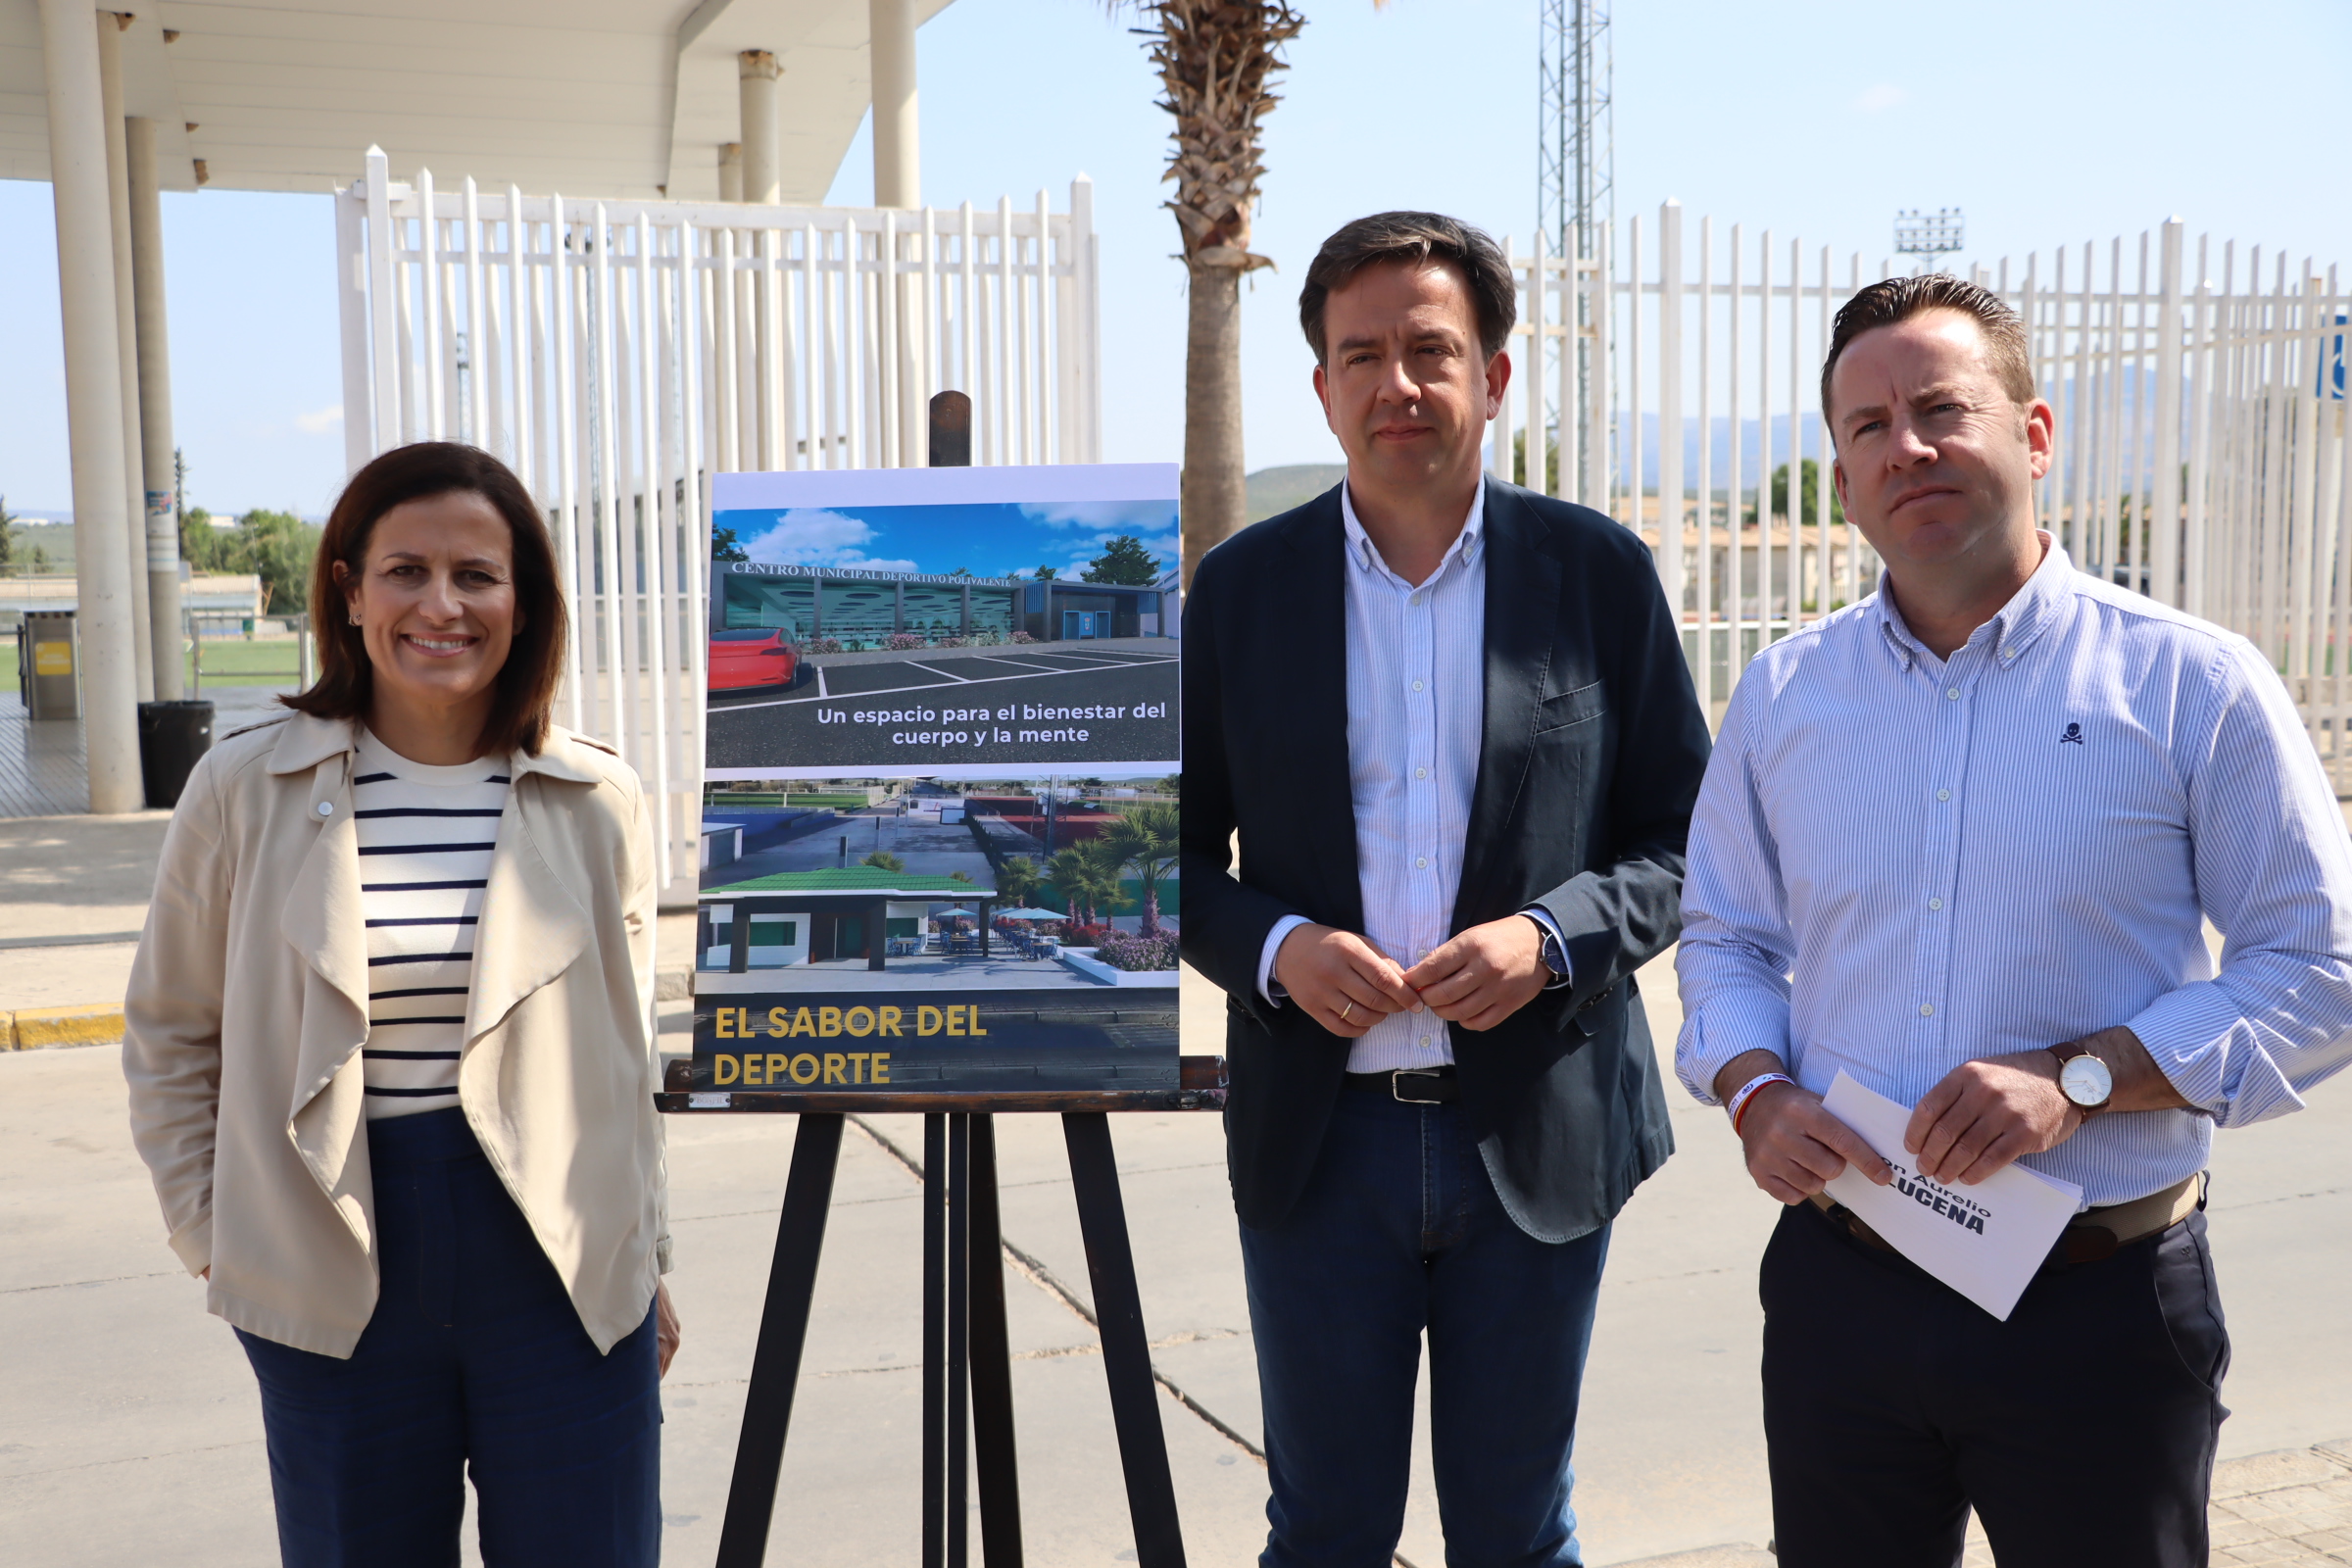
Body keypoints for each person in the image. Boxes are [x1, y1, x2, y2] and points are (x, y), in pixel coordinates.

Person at [1676, 274, 2352, 1567]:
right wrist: (1755, 1085)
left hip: (2095, 1311)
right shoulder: (1787, 695)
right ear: (1841, 474)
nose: (1907, 447)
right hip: (1841, 1293)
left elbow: (2320, 970)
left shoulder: (2189, 682)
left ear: (2033, 435)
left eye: (1942, 408)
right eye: (1869, 427)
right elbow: (1726, 937)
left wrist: (2084, 1077)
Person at [1181, 211, 1711, 1567]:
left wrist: (1553, 940)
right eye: (1362, 355)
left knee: (1519, 1535)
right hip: (1322, 1144)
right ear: (1321, 387)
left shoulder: (1594, 576)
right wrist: (1280, 946)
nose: (1396, 384)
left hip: (1533, 1126)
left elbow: (1687, 838)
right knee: (1324, 1533)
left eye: (1431, 349)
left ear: (1496, 373)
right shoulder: (1241, 593)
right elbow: (1162, 865)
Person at [123, 441, 680, 1567]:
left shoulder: (597, 799)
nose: (442, 604)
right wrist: (212, 1236)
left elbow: (622, 1065)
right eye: (406, 570)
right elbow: (173, 1032)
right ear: (348, 587)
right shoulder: (245, 788)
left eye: (477, 574)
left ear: (523, 603)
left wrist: (646, 1253)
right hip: (332, 1252)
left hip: (558, 1260)